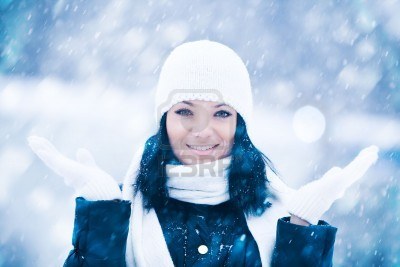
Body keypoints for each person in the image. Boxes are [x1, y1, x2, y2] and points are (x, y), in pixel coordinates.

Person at [28, 40, 378, 267]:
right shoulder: (128, 211)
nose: (201, 129)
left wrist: (303, 227)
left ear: (240, 123)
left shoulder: (274, 213)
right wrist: (103, 215)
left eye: (221, 113)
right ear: (164, 119)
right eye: (185, 111)